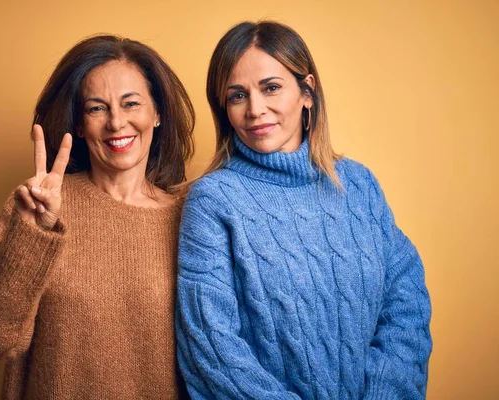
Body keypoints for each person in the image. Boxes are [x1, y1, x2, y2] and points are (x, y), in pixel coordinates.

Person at [176, 21, 432, 399]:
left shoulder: (358, 184)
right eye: (237, 96)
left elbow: (405, 303)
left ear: (307, 91)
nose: (255, 109)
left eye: (271, 88)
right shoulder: (213, 201)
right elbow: (212, 348)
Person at [0, 34, 194, 399]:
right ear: (79, 124)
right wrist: (31, 233)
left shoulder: (191, 217)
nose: (116, 122)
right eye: (97, 108)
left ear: (157, 113)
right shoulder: (41, 204)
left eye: (131, 104)